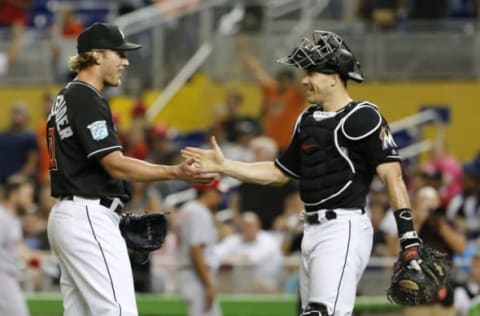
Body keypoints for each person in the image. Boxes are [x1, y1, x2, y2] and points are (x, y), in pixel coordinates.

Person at [182, 30, 424, 316]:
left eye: (311, 72)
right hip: (311, 230)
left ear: (334, 76)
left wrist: (408, 238)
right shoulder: (307, 119)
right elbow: (279, 172)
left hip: (343, 227)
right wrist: (225, 166)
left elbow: (392, 176)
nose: (304, 79)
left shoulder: (364, 116)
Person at [45, 22, 213, 316]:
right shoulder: (85, 95)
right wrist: (175, 172)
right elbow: (115, 163)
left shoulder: (68, 95)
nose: (125, 61)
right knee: (119, 312)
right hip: (87, 215)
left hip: (74, 213)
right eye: (118, 53)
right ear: (97, 55)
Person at [175, 177, 224, 316]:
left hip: (189, 273)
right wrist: (208, 284)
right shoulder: (200, 212)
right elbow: (196, 248)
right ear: (208, 191)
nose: (219, 196)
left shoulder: (187, 209)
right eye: (217, 192)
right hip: (197, 276)